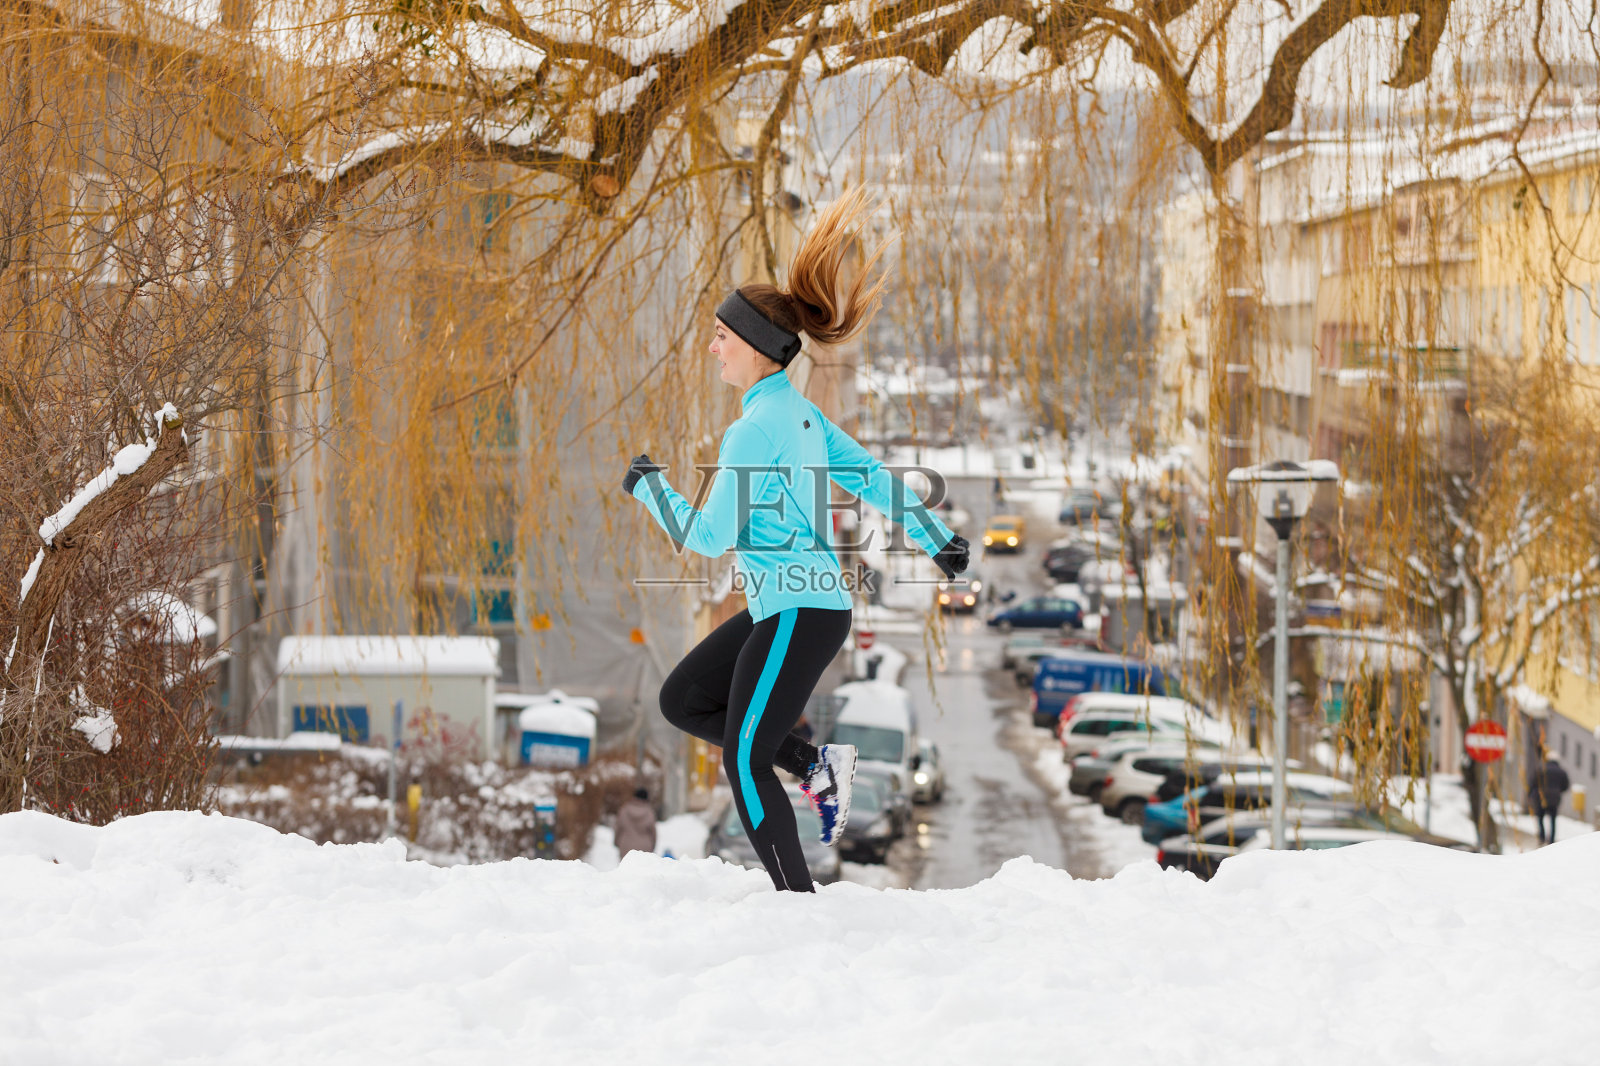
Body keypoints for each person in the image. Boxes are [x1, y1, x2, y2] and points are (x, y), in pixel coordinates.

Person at [622, 189, 970, 892]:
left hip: (800, 609)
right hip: (794, 605)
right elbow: (871, 476)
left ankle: (795, 903)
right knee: (684, 700)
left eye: (721, 335)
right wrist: (937, 537)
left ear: (752, 345)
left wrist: (649, 487)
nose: (712, 346)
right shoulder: (797, 414)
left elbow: (710, 535)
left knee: (744, 760)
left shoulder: (754, 429)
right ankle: (813, 766)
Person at [1528, 750, 1570, 846]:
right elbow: (1566, 786)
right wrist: (1557, 791)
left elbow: (1533, 783)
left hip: (1540, 798)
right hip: (1555, 799)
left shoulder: (1540, 769)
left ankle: (1542, 837)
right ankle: (1551, 841)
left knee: (1540, 817)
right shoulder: (1562, 772)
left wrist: (1530, 794)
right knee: (1553, 819)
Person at [614, 787, 658, 857]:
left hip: (626, 846)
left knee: (626, 867)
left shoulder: (624, 810)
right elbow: (653, 833)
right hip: (645, 848)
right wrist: (653, 846)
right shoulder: (649, 812)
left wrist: (616, 842)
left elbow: (618, 828)